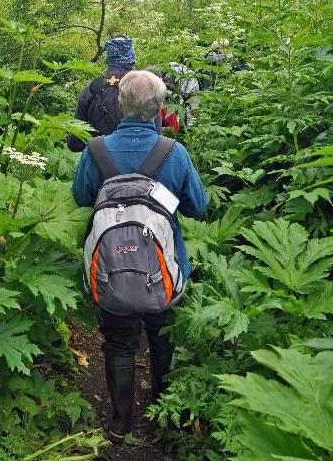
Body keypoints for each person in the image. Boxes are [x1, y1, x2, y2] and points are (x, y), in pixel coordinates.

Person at [72, 70, 206, 444]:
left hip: (110, 271)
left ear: (119, 104)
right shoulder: (174, 153)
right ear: (160, 109)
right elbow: (198, 207)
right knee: (163, 337)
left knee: (118, 342)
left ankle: (119, 423)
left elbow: (82, 197)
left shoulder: (96, 150)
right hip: (165, 268)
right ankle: (162, 410)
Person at [67, 35, 162, 151]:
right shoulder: (146, 88)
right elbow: (157, 138)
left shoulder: (91, 89)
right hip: (143, 165)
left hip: (100, 163)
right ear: (131, 55)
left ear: (108, 56)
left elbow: (75, 143)